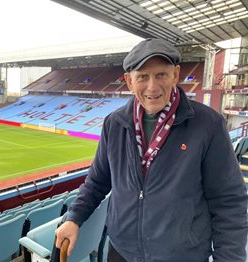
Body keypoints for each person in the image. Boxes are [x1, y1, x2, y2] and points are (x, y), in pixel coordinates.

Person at [55, 38, 248, 262]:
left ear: (175, 75)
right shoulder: (114, 124)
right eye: (143, 77)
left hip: (182, 256)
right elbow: (97, 181)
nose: (152, 87)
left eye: (161, 75)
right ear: (129, 81)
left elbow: (229, 201)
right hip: (122, 253)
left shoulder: (207, 124)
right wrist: (74, 218)